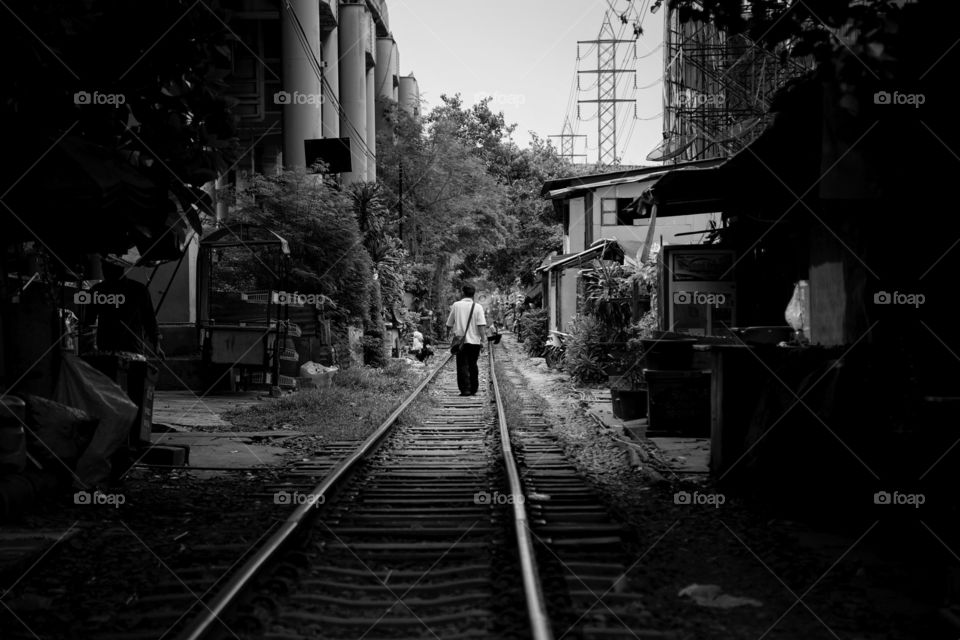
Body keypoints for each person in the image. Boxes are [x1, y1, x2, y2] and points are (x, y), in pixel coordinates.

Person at [85, 262, 164, 358]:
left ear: (120, 269)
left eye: (107, 268)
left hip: (113, 349)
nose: (105, 272)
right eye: (104, 268)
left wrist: (156, 344)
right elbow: (149, 319)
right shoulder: (139, 289)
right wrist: (156, 344)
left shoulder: (98, 290)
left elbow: (149, 319)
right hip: (127, 349)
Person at [446, 285, 487, 396]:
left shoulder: (456, 305)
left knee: (462, 365)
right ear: (473, 294)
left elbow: (449, 323)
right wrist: (483, 340)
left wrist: (448, 334)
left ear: (462, 293)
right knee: (473, 364)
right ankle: (473, 388)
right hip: (474, 341)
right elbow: (481, 325)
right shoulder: (478, 307)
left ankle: (465, 390)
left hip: (460, 342)